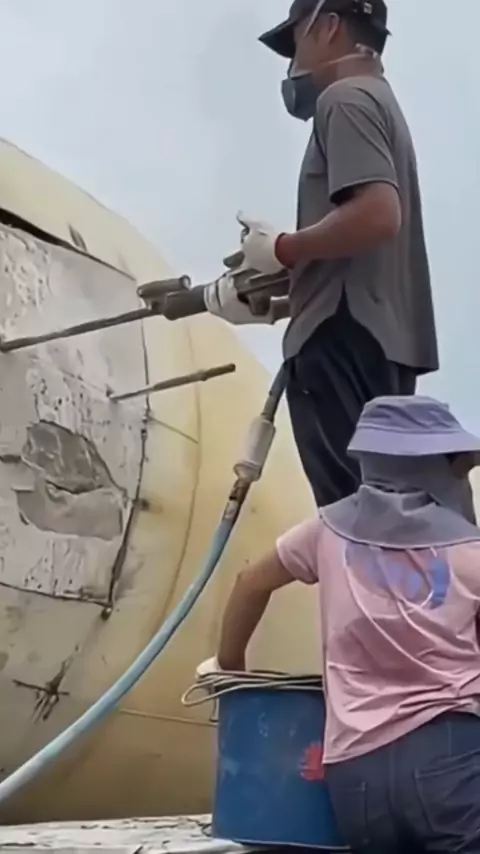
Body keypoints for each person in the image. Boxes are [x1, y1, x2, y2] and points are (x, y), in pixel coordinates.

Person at [198, 396, 480, 852]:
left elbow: (250, 583)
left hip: (354, 770)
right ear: (433, 465)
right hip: (449, 750)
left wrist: (231, 668)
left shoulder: (325, 531)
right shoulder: (471, 552)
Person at [204, 0, 438, 508]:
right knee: (386, 515)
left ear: (328, 27)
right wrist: (279, 301)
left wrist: (283, 250)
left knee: (355, 521)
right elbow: (366, 258)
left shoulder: (344, 99)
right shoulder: (378, 101)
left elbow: (377, 215)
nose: (293, 65)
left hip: (339, 344)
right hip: (379, 346)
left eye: (296, 43)